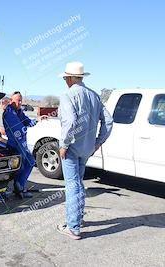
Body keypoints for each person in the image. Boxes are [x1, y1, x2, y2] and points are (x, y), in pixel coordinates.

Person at [56, 62, 113, 240]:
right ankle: (78, 219)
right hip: (87, 148)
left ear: (71, 78)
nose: (65, 80)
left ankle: (73, 227)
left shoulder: (68, 95)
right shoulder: (94, 95)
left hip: (72, 148)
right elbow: (109, 122)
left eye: (66, 77)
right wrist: (98, 142)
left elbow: (70, 121)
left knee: (72, 185)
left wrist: (64, 144)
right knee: (78, 183)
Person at [1, 92, 47, 200]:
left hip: (21, 144)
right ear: (12, 101)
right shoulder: (9, 112)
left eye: (21, 100)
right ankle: (13, 187)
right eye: (18, 100)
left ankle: (19, 186)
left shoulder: (19, 112)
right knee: (19, 166)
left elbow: (27, 122)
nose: (20, 103)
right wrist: (25, 127)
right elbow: (19, 128)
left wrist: (37, 119)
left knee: (30, 162)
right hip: (14, 144)